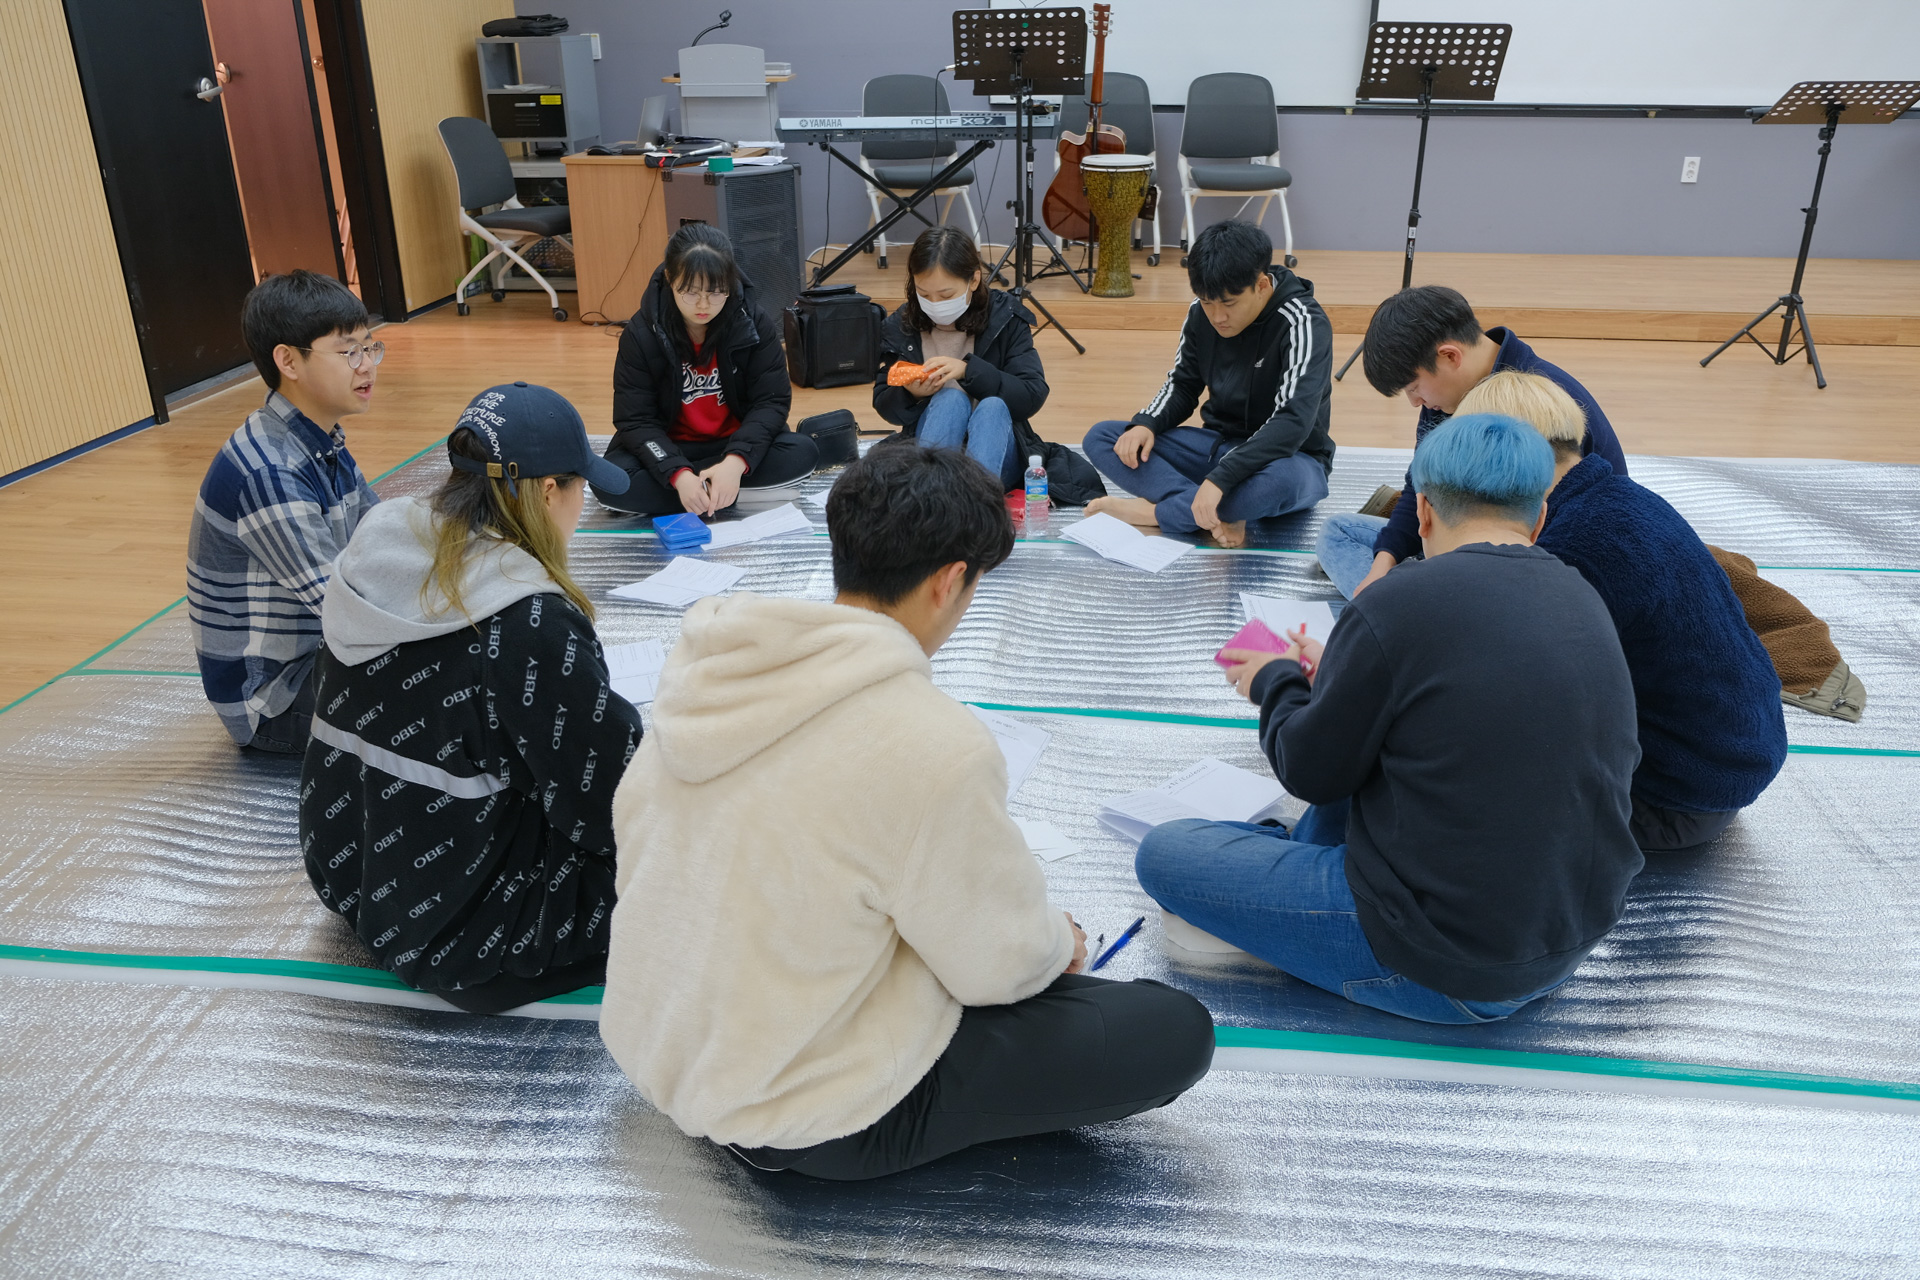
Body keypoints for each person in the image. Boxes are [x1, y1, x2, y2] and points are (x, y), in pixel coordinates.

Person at [599, 445, 1214, 1179]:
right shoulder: (931, 741)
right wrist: (1059, 942)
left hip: (659, 1048)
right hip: (799, 1114)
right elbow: (999, 967)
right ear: (950, 581)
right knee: (1171, 1030)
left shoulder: (710, 675)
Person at [1136, 414, 1643, 1024]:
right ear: (1538, 517)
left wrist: (1276, 678)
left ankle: (1285, 892)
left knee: (1165, 852)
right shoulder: (1582, 596)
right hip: (1567, 941)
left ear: (1422, 513)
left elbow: (1308, 771)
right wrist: (1344, 673)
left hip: (1446, 966)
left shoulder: (1398, 599)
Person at [301, 383, 645, 1014]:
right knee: (698, 850)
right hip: (467, 934)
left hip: (354, 877)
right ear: (549, 491)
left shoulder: (375, 548)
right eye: (581, 489)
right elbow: (611, 803)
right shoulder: (529, 620)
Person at [1456, 371, 1787, 851]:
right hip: (1738, 756)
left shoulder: (1575, 550)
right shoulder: (1621, 497)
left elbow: (1521, 691)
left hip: (1677, 799)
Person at [1317, 284, 1627, 599]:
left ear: (1450, 356)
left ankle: (1410, 608)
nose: (1414, 402)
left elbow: (1540, 540)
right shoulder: (1445, 399)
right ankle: (1403, 598)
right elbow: (1421, 484)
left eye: (1414, 387)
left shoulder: (1536, 404)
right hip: (1464, 537)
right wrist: (1383, 564)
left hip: (1540, 561)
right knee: (1338, 533)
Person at [187, 269, 382, 753]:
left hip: (317, 653)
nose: (367, 365)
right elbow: (345, 610)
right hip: (274, 697)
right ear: (288, 361)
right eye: (348, 351)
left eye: (369, 347)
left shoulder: (320, 438)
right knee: (447, 681)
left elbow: (382, 536)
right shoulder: (269, 470)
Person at [1082, 219, 1333, 547]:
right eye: (1206, 302)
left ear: (1261, 285)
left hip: (1288, 459)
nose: (1217, 317)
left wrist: (1222, 478)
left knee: (1280, 483)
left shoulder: (1303, 321)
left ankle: (1156, 514)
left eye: (1229, 303)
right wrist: (1146, 424)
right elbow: (1183, 384)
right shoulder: (1199, 314)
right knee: (1104, 438)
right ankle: (1215, 510)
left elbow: (1293, 422)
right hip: (1216, 447)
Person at [593, 223, 817, 517]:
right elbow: (635, 420)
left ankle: (708, 491)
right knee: (609, 481)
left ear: (730, 281)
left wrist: (736, 462)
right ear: (670, 278)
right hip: (670, 444)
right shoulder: (641, 332)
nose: (703, 304)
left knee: (803, 452)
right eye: (690, 292)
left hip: (732, 443)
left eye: (716, 292)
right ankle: (722, 494)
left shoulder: (752, 321)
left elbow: (771, 402)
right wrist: (677, 474)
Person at [872, 225, 1105, 503]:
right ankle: (933, 496)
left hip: (997, 452)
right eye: (924, 293)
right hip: (931, 449)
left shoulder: (1005, 317)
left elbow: (1031, 395)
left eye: (945, 295)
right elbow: (884, 403)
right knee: (950, 400)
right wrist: (911, 394)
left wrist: (970, 371)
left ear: (974, 279)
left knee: (992, 406)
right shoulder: (903, 323)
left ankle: (975, 504)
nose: (934, 303)